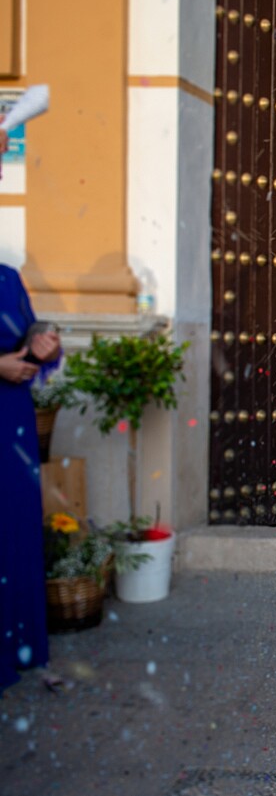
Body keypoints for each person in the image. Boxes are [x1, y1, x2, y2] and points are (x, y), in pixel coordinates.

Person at [0, 263, 62, 695]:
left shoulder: (7, 277)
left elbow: (31, 345)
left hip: (13, 420)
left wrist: (44, 348)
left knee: (18, 531)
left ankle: (23, 647)